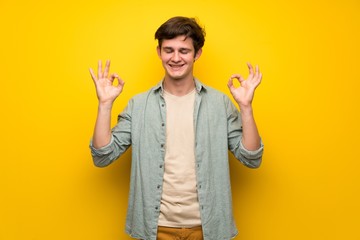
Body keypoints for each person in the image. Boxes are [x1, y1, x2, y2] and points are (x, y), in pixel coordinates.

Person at [89, 16, 264, 240]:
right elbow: (103, 156)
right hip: (155, 228)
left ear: (197, 54)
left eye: (184, 50)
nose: (175, 58)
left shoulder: (219, 104)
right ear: (159, 52)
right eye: (168, 50)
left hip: (208, 227)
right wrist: (105, 105)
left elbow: (251, 158)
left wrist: (246, 108)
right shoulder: (139, 105)